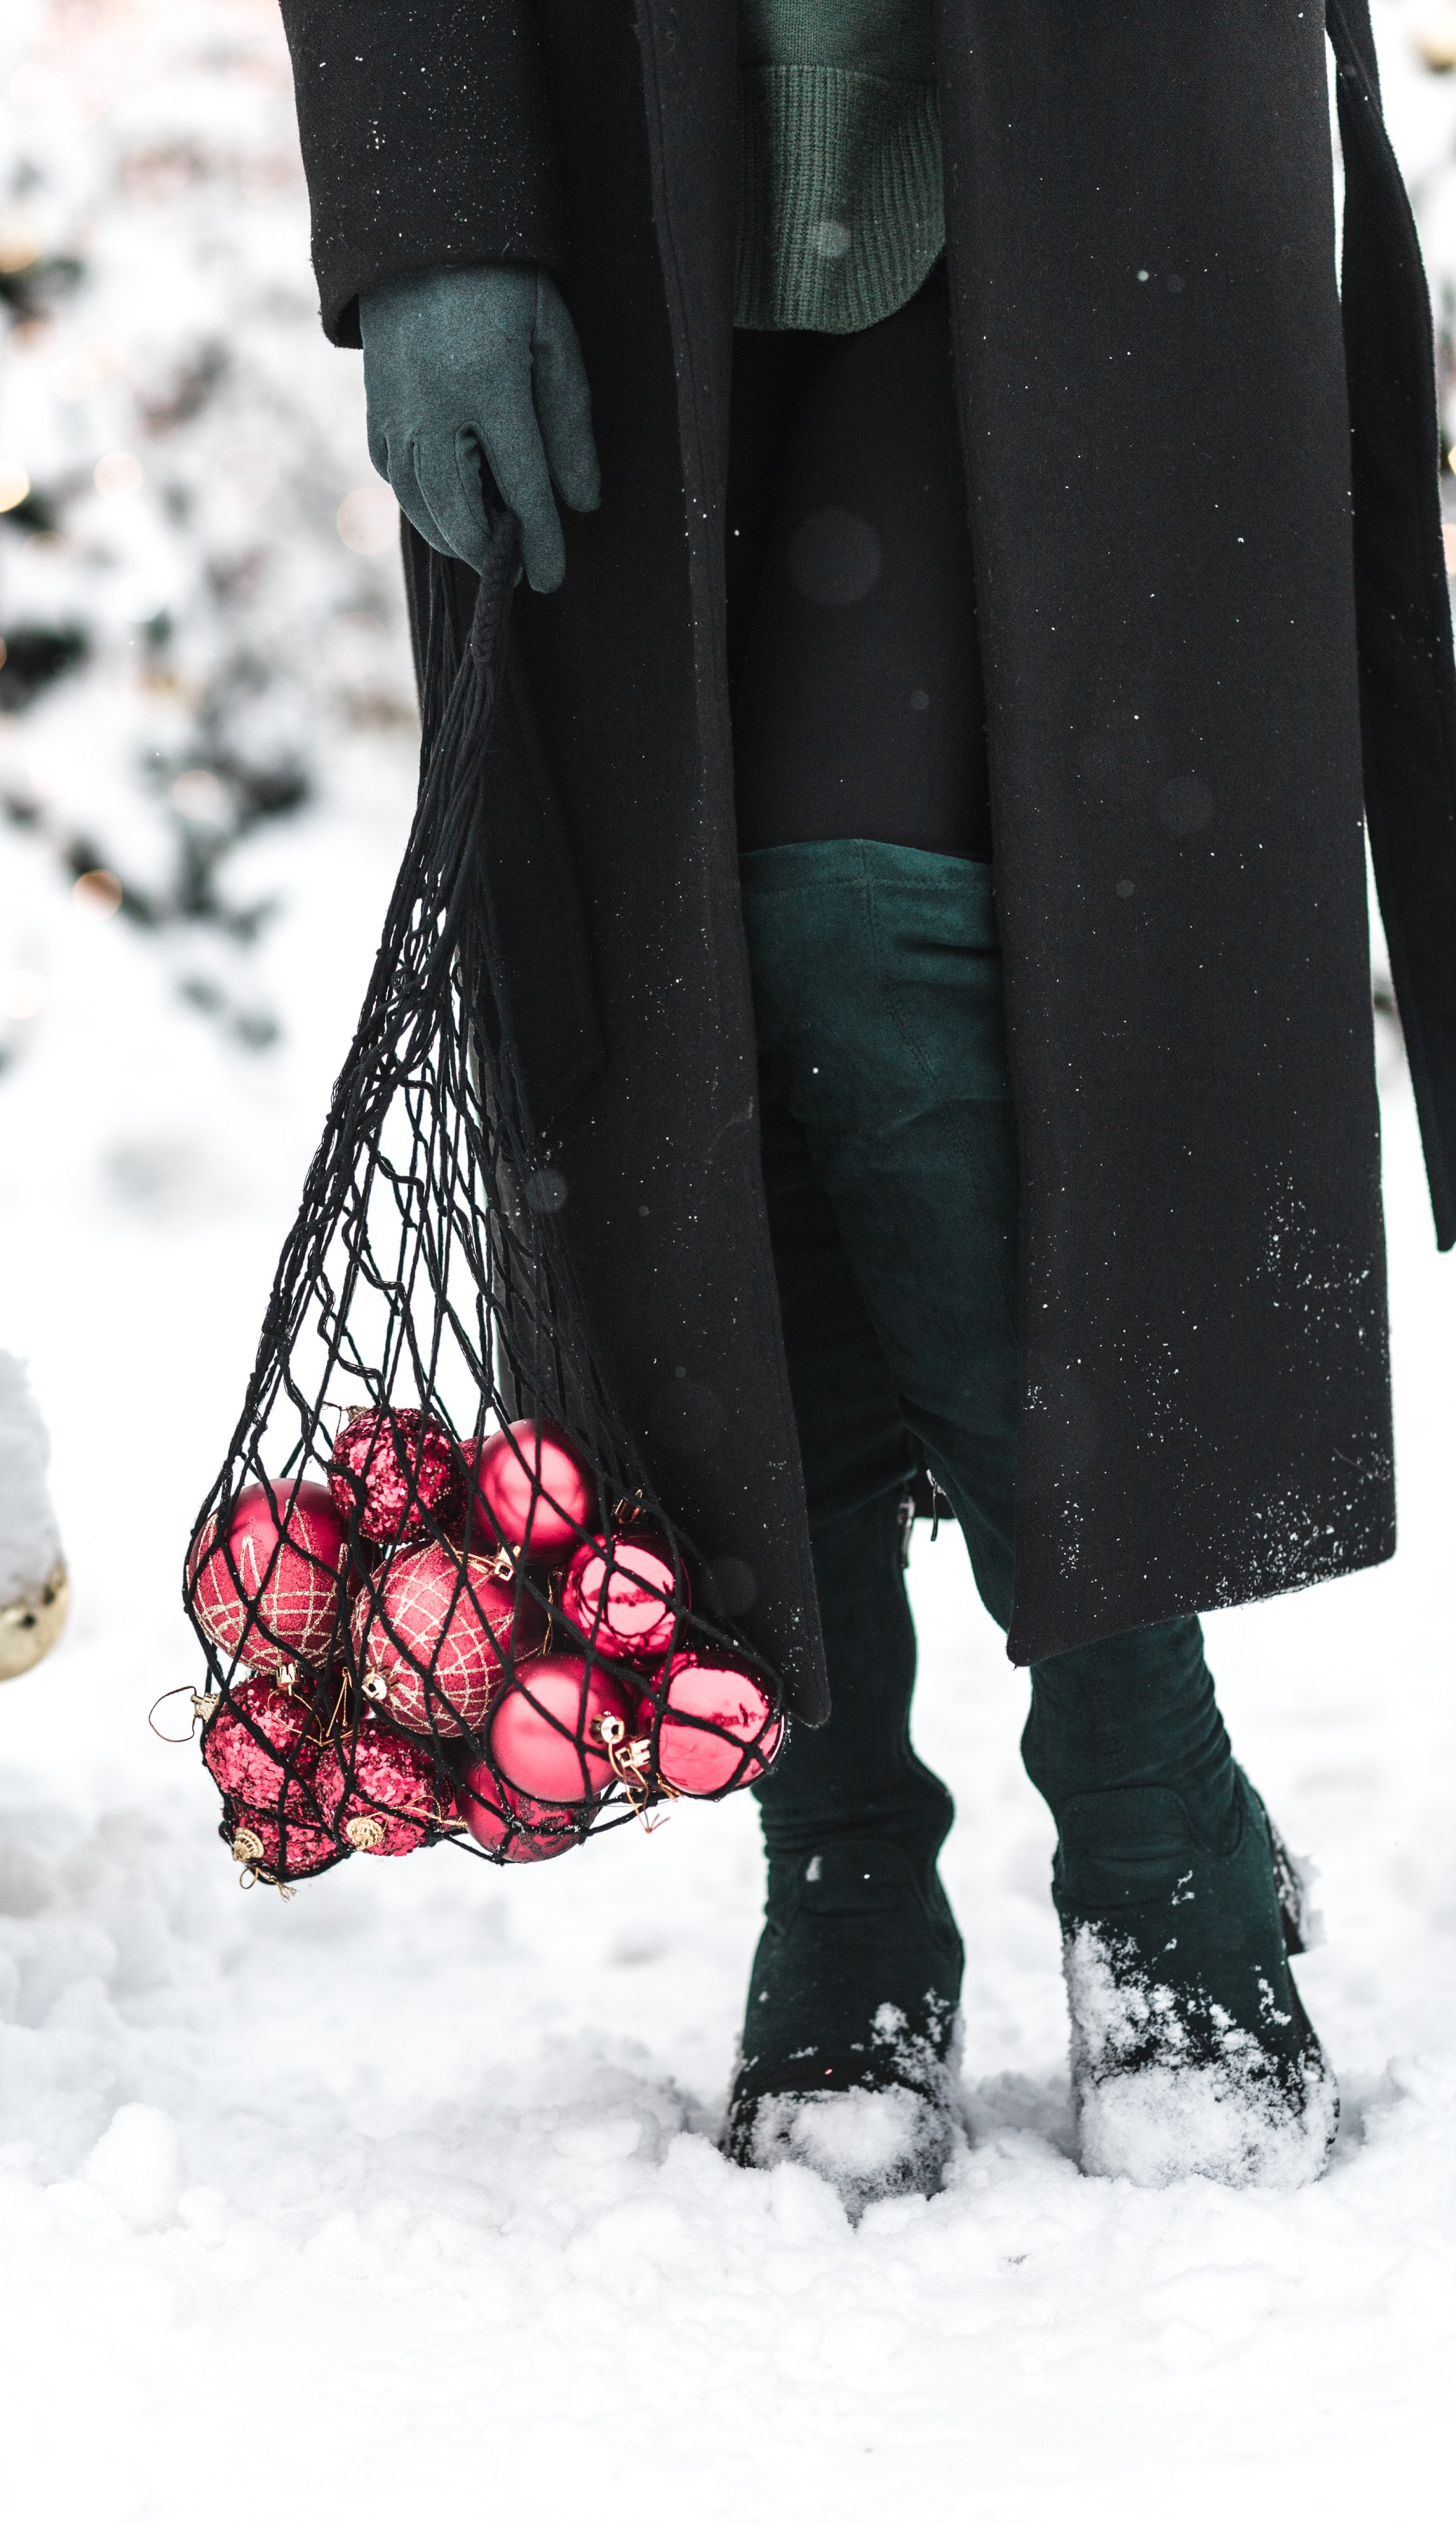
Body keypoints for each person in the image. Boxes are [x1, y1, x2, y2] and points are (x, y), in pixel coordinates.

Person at [276, 0, 1456, 2196]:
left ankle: (1137, 1815)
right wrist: (428, 209)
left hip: (1084, 131)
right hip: (613, 131)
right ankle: (848, 1847)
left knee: (855, 913)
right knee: (688, 989)